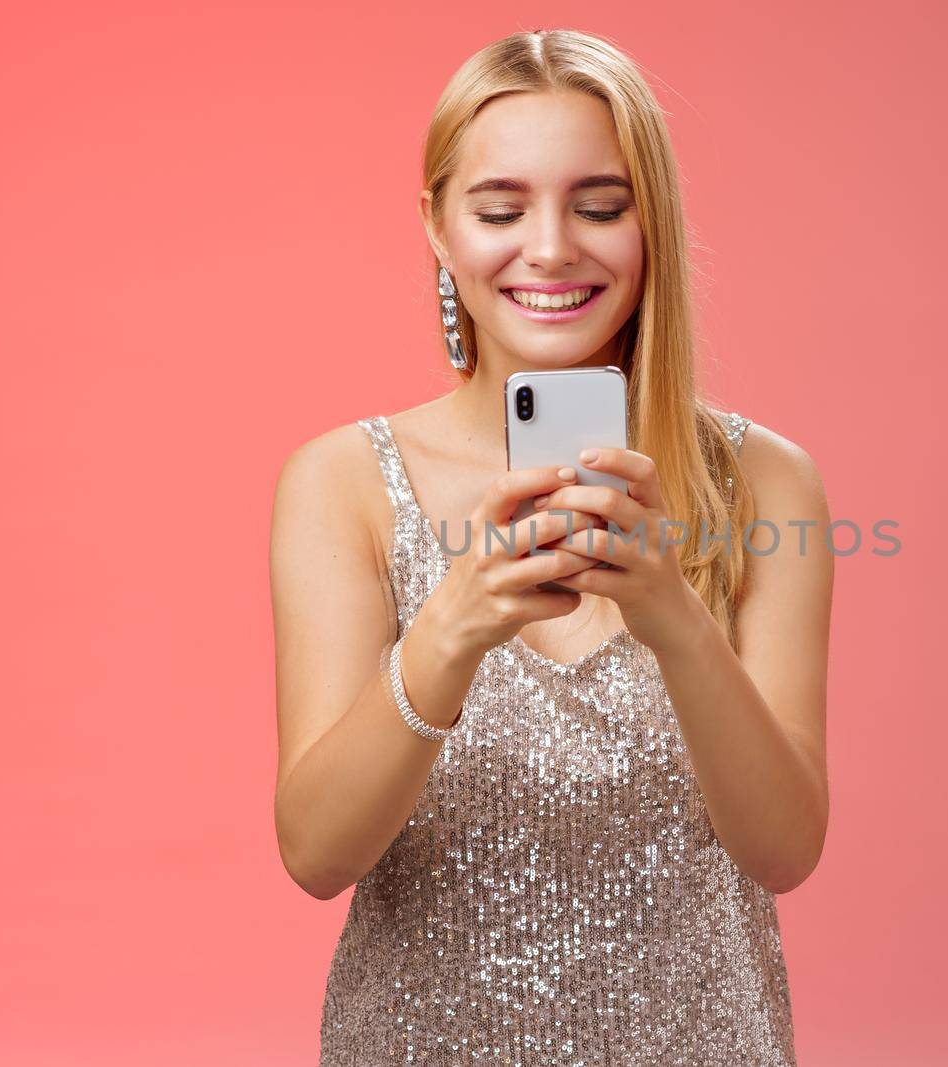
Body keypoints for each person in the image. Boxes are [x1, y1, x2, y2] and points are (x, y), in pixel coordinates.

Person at [269, 28, 832, 1065]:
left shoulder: (766, 483)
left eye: (600, 206)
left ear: (650, 225)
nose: (549, 247)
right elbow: (315, 850)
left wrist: (675, 617)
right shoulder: (343, 483)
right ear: (438, 227)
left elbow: (785, 846)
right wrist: (450, 626)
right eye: (498, 209)